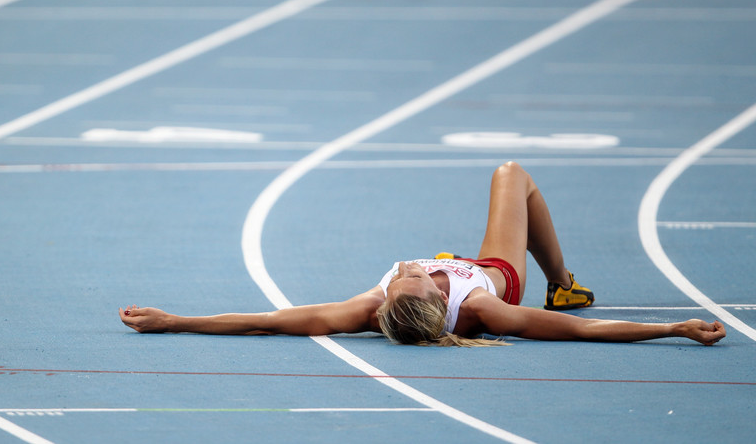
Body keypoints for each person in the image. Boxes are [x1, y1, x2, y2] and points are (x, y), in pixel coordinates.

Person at [119, 162, 726, 346]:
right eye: (419, 276)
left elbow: (267, 321)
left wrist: (174, 319)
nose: (412, 268)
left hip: (462, 274)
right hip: (496, 272)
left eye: (404, 277)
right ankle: (560, 277)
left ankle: (563, 274)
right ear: (443, 298)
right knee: (512, 175)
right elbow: (577, 330)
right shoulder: (489, 312)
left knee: (511, 175)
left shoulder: (370, 307)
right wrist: (670, 326)